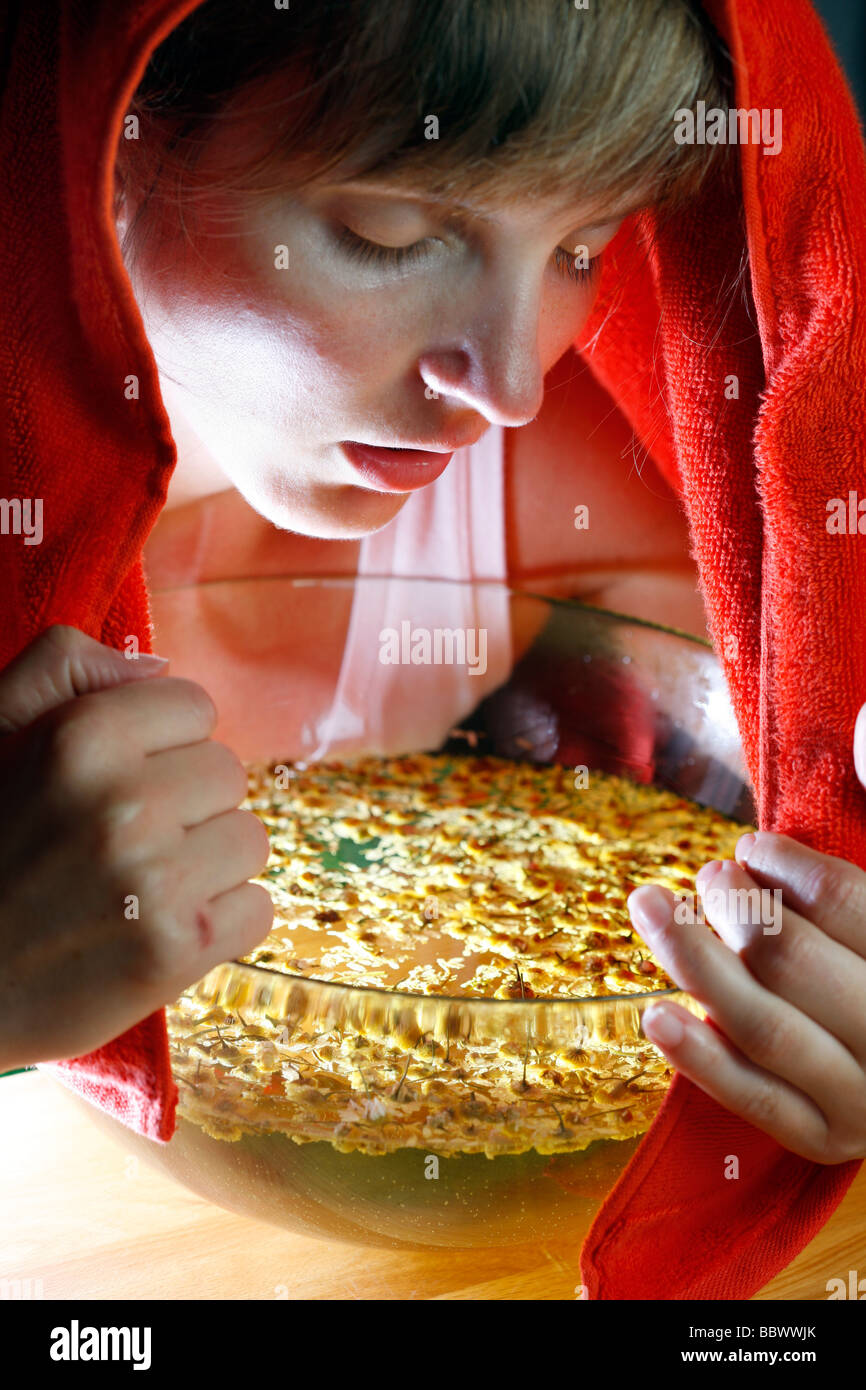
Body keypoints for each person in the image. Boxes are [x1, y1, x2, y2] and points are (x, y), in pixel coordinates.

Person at [1, 0, 865, 1169]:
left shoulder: (603, 519)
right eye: (393, 232)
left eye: (581, 246)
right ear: (101, 135)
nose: (505, 381)